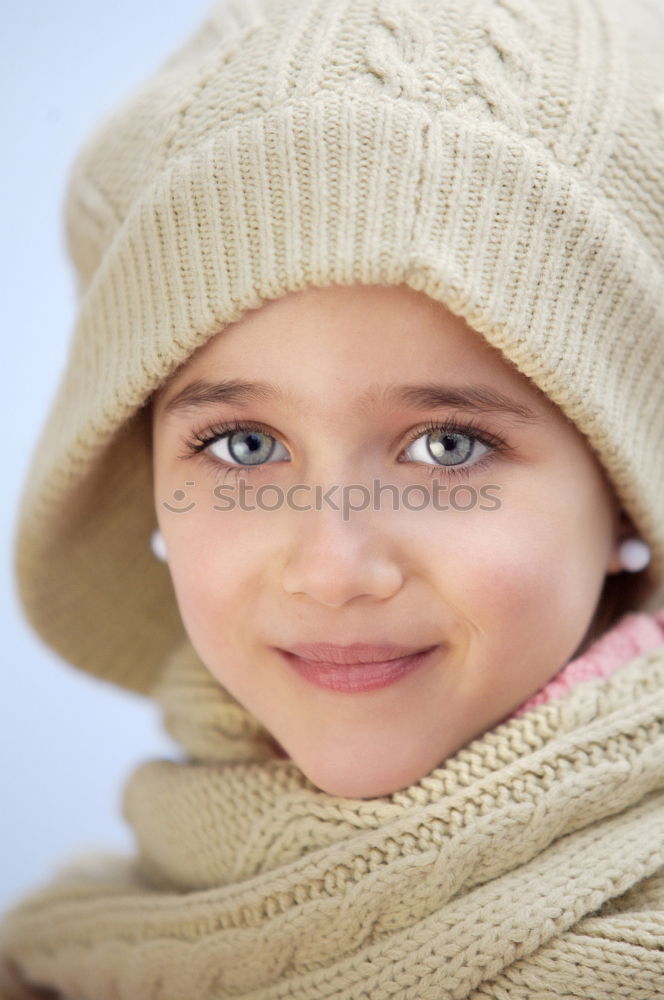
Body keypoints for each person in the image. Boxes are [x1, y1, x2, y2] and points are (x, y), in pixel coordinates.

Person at [2, 0, 663, 996]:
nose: (331, 566)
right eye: (243, 444)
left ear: (625, 487)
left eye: (447, 446)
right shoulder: (66, 961)